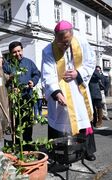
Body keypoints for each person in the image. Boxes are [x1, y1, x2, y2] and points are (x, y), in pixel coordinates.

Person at [41, 20, 96, 161]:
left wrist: (78, 73)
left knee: (82, 118)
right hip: (61, 91)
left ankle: (87, 151)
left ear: (71, 35)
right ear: (55, 38)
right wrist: (56, 92)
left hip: (77, 89)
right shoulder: (48, 50)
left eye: (67, 42)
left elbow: (91, 62)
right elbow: (48, 75)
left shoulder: (81, 43)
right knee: (59, 119)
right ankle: (57, 154)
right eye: (61, 43)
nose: (65, 45)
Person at [3, 41, 41, 144]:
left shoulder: (29, 63)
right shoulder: (7, 65)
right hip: (15, 100)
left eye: (19, 51)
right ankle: (18, 143)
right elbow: (4, 80)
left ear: (22, 50)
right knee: (16, 122)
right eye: (14, 52)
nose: (17, 54)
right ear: (11, 53)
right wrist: (11, 88)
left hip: (27, 97)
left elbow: (37, 74)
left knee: (28, 122)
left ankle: (28, 142)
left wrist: (33, 81)